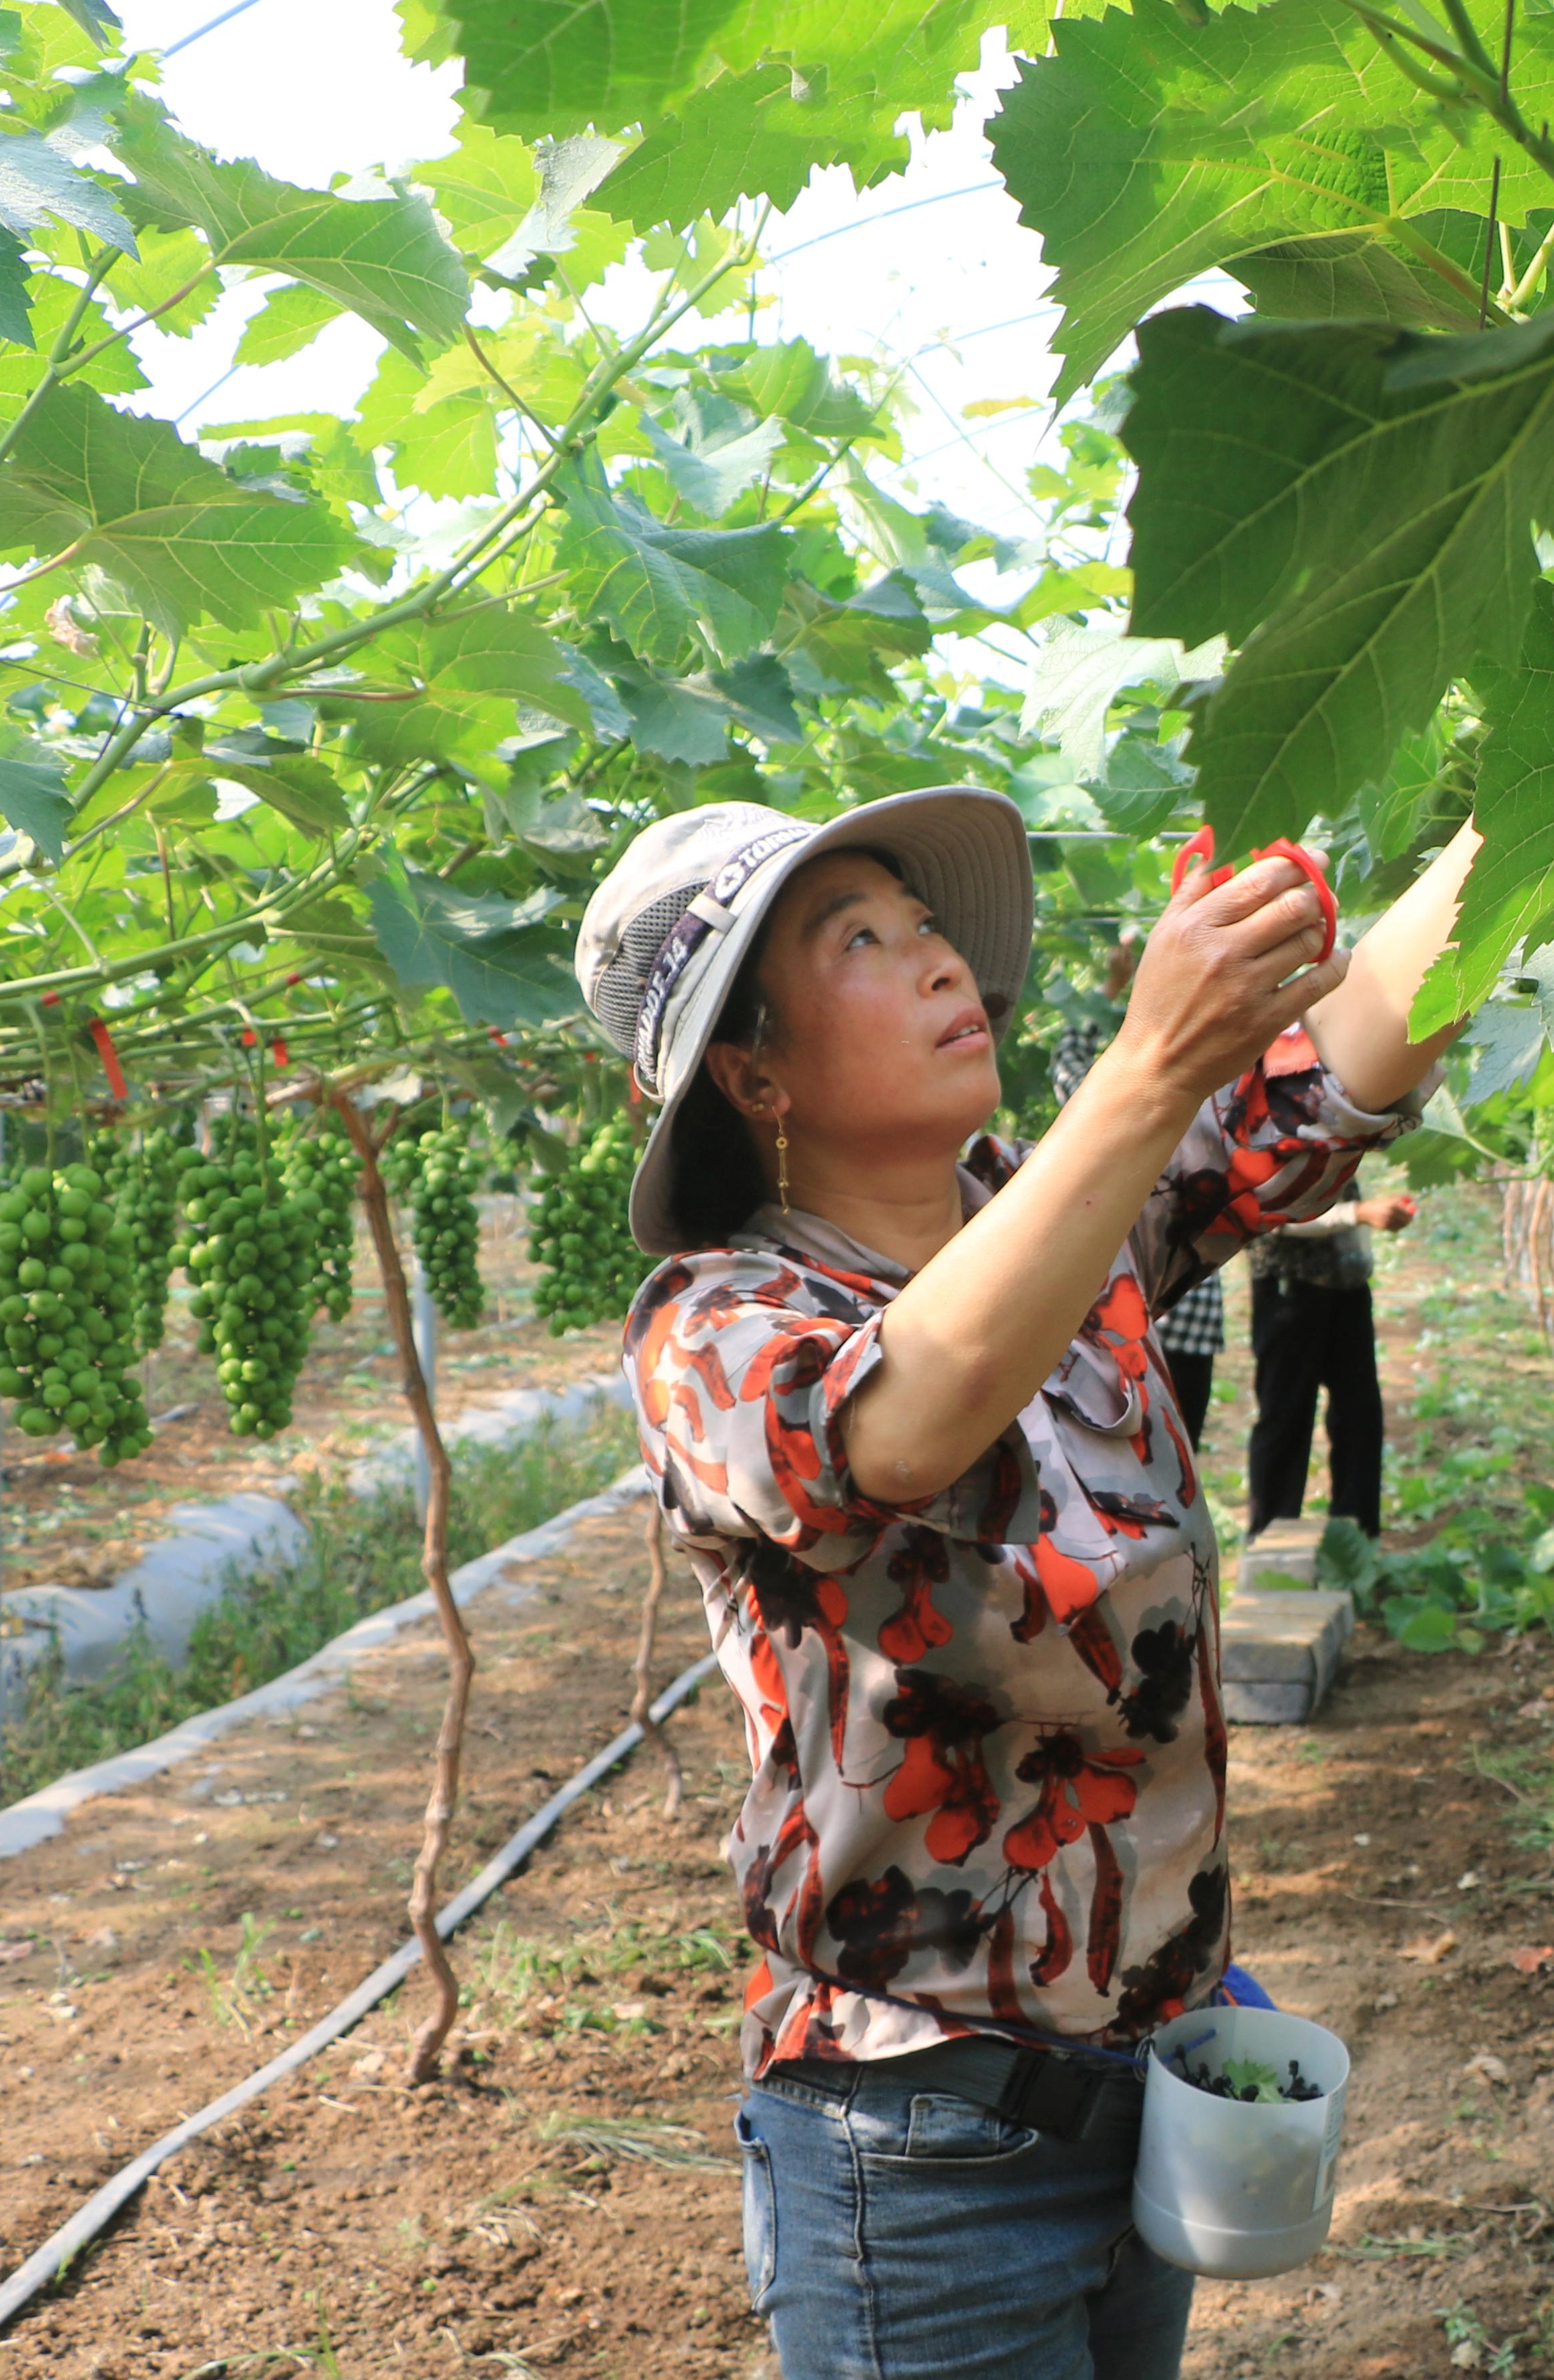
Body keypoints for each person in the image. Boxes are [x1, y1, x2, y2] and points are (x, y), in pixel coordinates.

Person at [576, 789, 1475, 2380]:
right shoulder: (712, 1330)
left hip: (1142, 2093)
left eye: (927, 924)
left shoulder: (1051, 1219)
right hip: (918, 2158)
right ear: (754, 1074)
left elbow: (1326, 1069)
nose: (938, 961)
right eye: (861, 939)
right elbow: (897, 1428)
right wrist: (1148, 1066)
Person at [1052, 944, 1222, 1440]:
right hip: (1174, 1321)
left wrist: (1114, 987)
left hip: (1129, 1322)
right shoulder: (1209, 1114)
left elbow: (1069, 1059)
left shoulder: (1122, 1115)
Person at [1244, 1184, 1417, 1540]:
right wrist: (1358, 1213)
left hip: (1348, 1288)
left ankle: (1356, 1540)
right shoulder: (1266, 1149)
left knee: (1360, 1415)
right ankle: (1271, 1540)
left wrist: (1370, 1213)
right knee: (1285, 1414)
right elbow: (1270, 1214)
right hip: (1288, 1287)